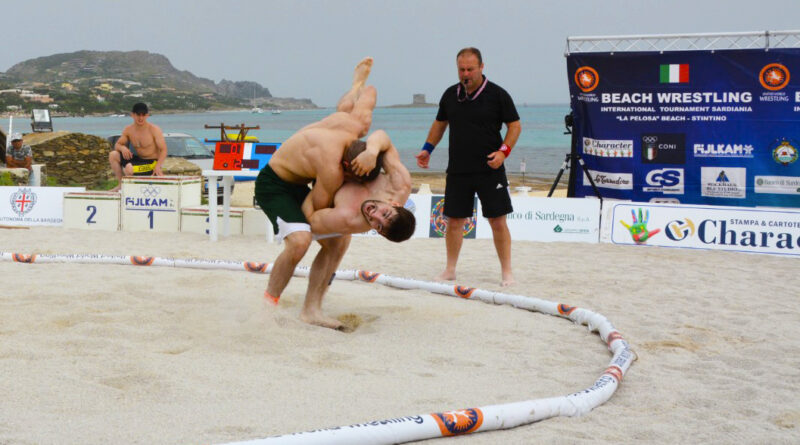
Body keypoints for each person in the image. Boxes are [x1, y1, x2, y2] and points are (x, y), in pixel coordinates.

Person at [255, 57, 387, 330]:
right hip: (273, 183)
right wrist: (353, 219)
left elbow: (369, 95)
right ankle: (268, 303)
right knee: (301, 241)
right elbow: (312, 217)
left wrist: (358, 84)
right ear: (348, 169)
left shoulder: (355, 125)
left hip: (298, 175)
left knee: (340, 241)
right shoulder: (331, 170)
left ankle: (312, 309)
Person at [415, 47, 521, 287]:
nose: (466, 74)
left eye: (470, 69)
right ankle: (450, 269)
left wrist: (503, 153)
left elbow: (514, 126)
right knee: (453, 221)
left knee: (497, 221)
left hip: (489, 168)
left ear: (482, 67)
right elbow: (440, 124)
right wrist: (427, 148)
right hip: (458, 169)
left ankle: (507, 272)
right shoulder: (450, 95)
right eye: (461, 69)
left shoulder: (497, 94)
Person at [302, 129, 416, 242]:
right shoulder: (400, 184)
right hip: (337, 156)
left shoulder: (350, 220)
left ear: (379, 232)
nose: (374, 215)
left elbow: (309, 221)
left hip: (322, 186)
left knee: (331, 244)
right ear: (395, 204)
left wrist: (327, 180)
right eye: (385, 214)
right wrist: (372, 151)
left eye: (379, 226)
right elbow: (384, 139)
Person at [108, 102, 167, 191]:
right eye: (138, 115)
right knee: (113, 155)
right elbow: (117, 144)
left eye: (143, 115)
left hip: (151, 163)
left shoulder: (154, 129)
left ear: (147, 115)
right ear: (132, 115)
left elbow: (163, 150)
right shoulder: (129, 130)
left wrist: (158, 166)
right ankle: (121, 184)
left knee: (129, 168)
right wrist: (123, 148)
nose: (140, 118)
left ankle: (130, 191)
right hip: (139, 160)